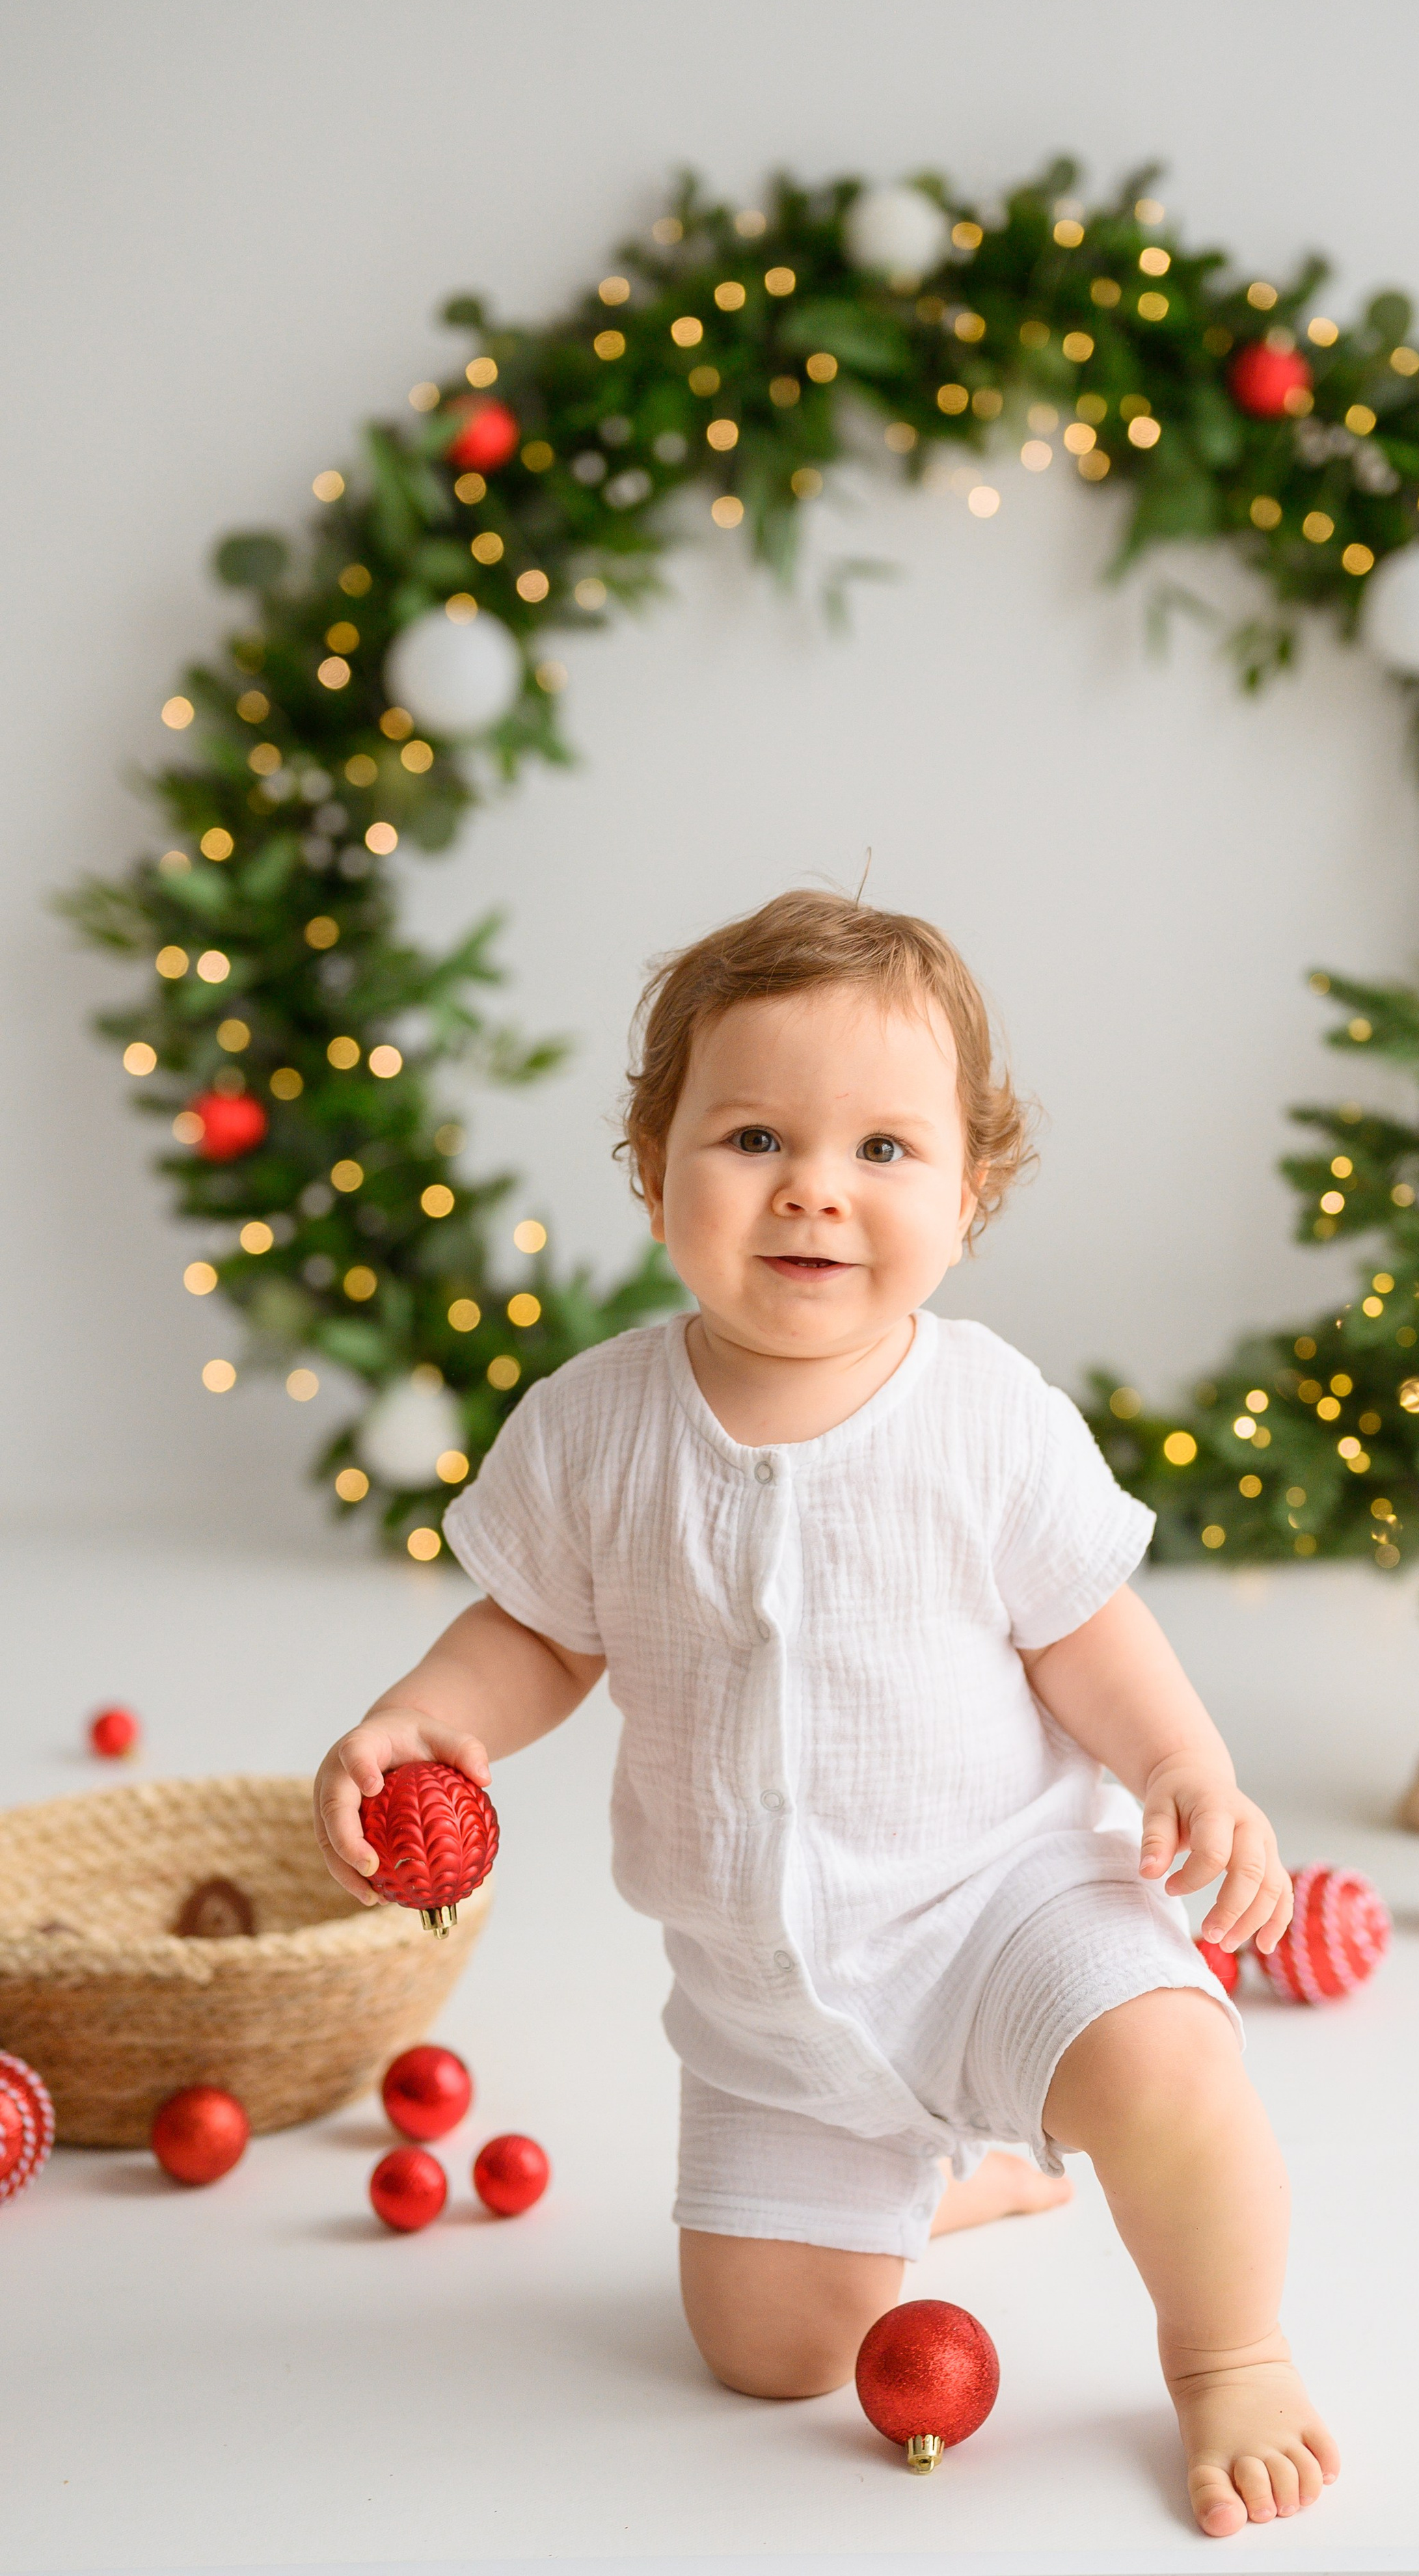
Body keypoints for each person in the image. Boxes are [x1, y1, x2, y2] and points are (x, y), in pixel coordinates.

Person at [312, 890, 1339, 2536]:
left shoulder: (984, 1413)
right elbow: (535, 1630)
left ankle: (1231, 2351)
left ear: (969, 1191)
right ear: (653, 1165)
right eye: (751, 1135)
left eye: (881, 1149)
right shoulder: (593, 1426)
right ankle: (954, 2172)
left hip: (1004, 1910)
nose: (812, 1186)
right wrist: (432, 1718)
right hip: (762, 2001)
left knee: (1166, 2078)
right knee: (768, 2354)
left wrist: (1183, 1766)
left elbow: (1085, 1626)